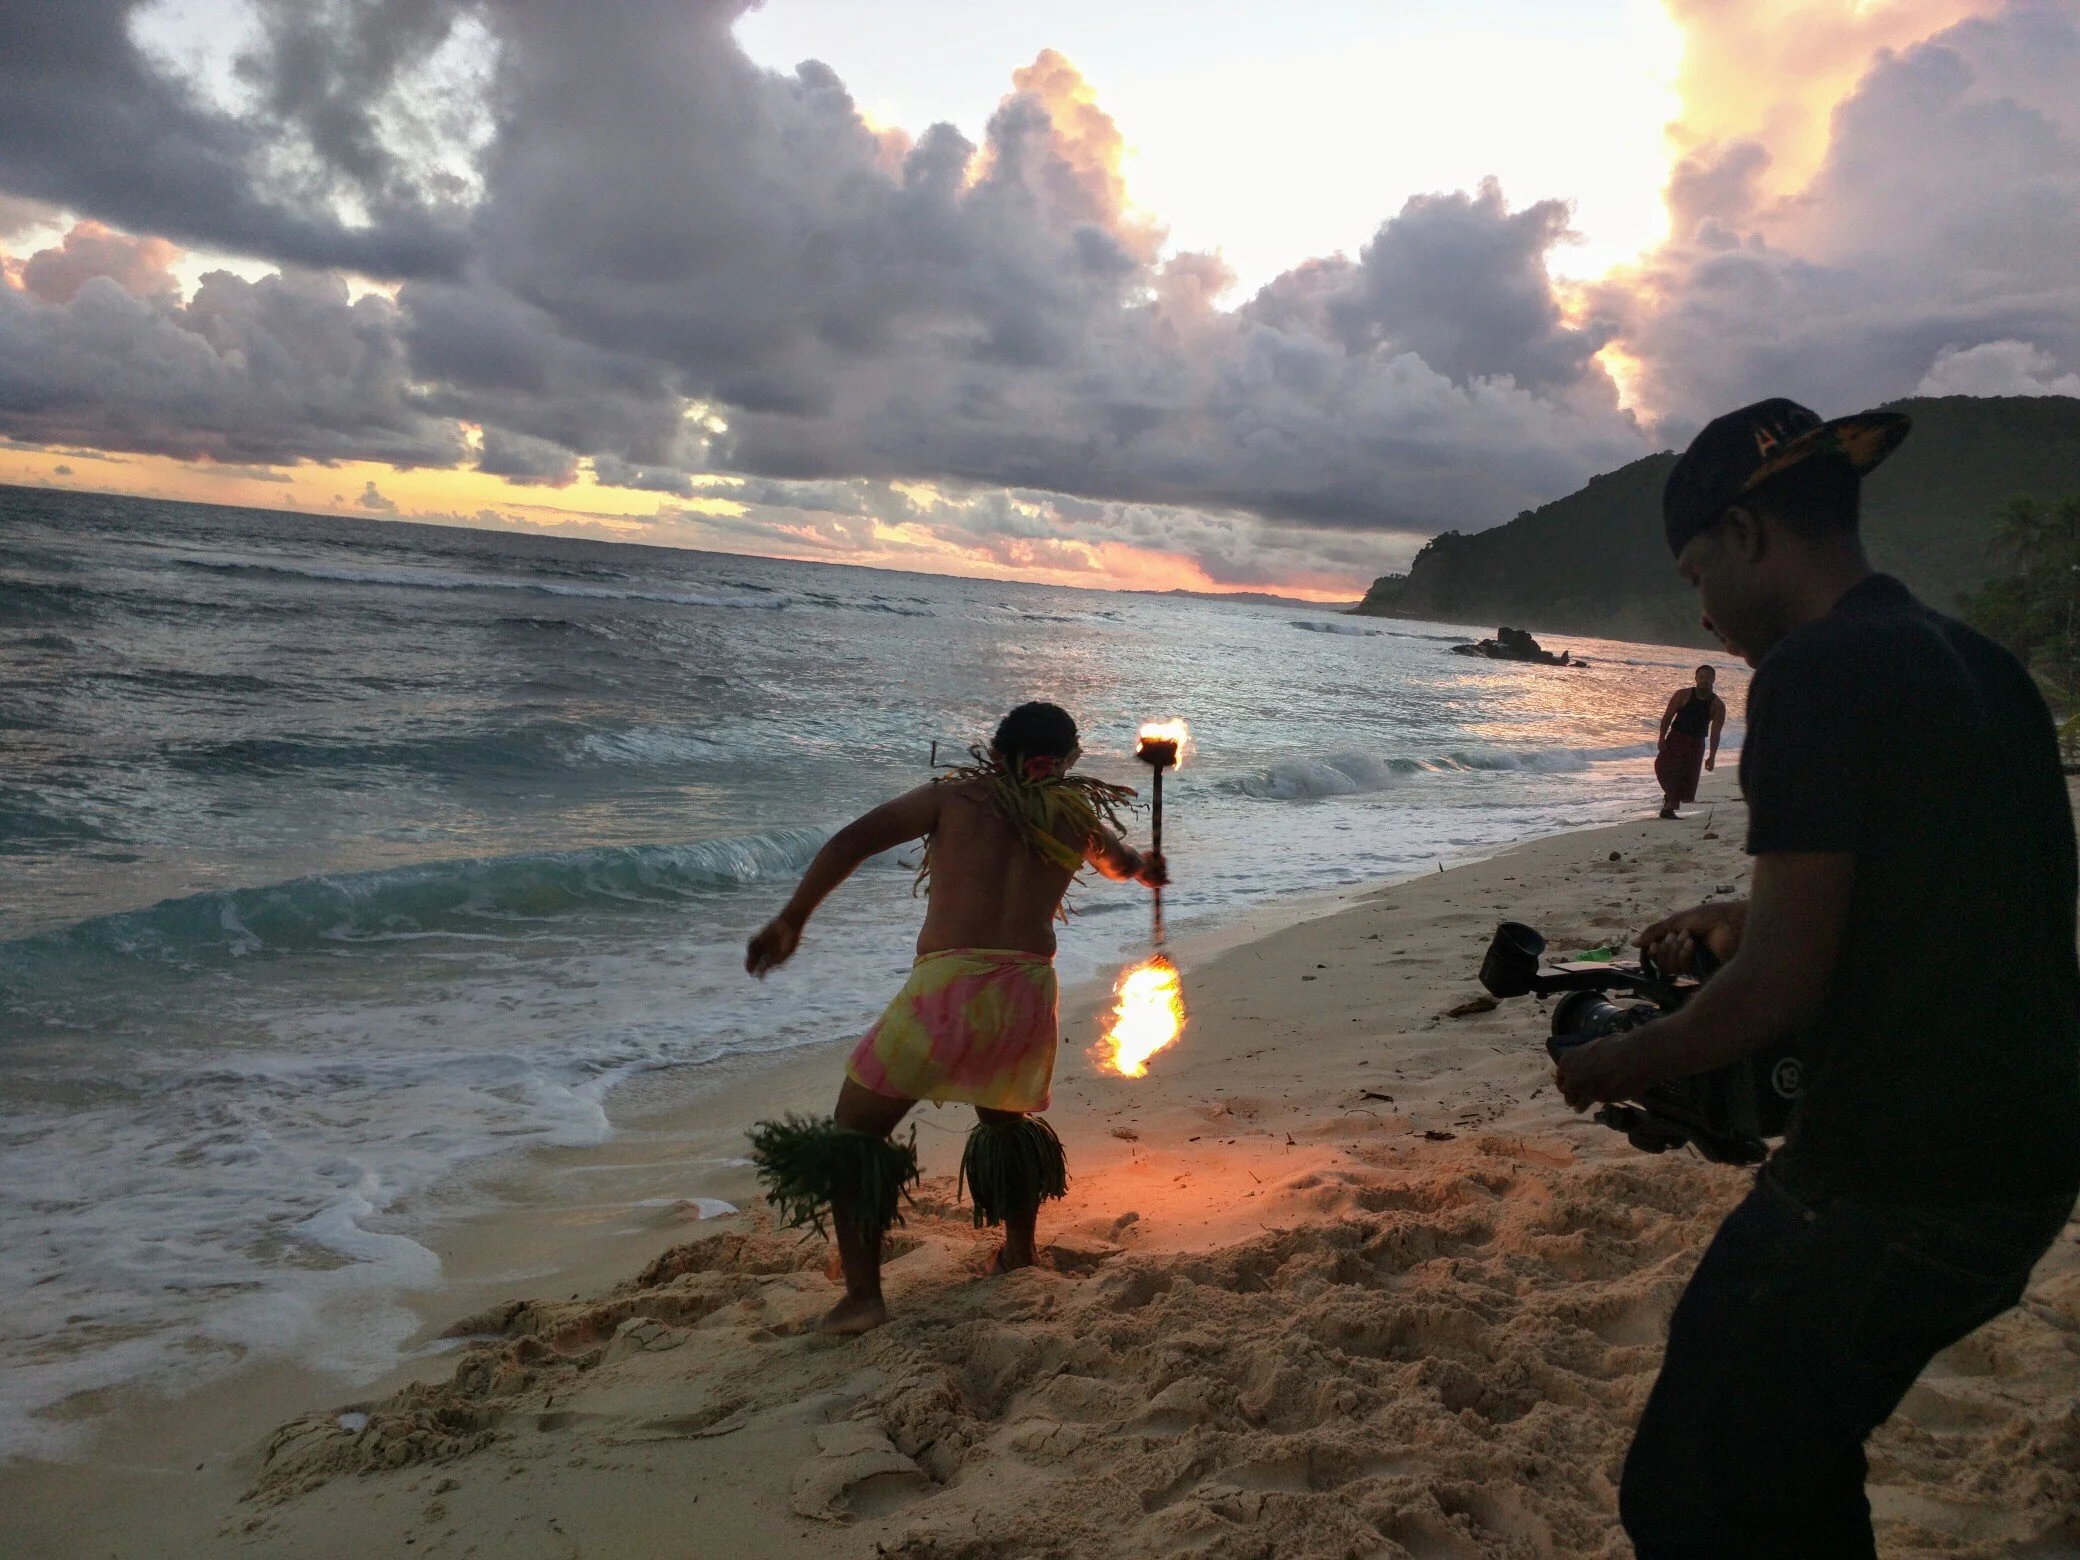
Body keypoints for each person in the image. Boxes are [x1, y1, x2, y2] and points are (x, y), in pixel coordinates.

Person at [1555, 397, 2080, 1558]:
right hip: (2031, 1160)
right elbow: (1962, 887)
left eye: (1696, 572)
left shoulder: (1811, 673)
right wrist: (1744, 915)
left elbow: (1782, 990)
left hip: (1899, 1178)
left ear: (1745, 535)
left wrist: (1608, 1064)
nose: (1699, 606)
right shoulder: (1981, 668)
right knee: (1789, 1464)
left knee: (1686, 1490)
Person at [742, 701, 1166, 1335]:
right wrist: (1146, 871)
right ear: (1064, 761)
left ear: (996, 752)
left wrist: (792, 919)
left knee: (854, 1136)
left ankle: (864, 1299)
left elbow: (853, 840)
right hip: (1024, 993)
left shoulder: (954, 799)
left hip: (949, 990)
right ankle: (1019, 1250)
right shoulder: (1074, 814)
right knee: (1005, 1124)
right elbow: (1123, 864)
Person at [1654, 665, 1725, 818]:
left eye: (1708, 678)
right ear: (1696, 679)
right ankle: (1669, 800)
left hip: (1696, 743)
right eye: (1701, 677)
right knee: (1663, 767)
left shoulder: (1718, 705)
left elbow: (1715, 733)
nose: (1704, 681)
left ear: (1714, 679)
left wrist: (1712, 756)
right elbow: (1667, 717)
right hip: (1676, 738)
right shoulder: (1682, 695)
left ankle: (1669, 807)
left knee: (1685, 778)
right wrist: (1661, 737)